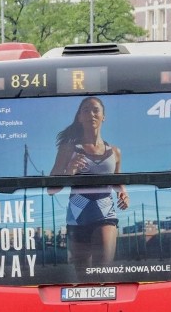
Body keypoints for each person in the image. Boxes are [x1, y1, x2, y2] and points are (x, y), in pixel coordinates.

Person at [48, 96, 128, 271]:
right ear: (79, 117)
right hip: (77, 212)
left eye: (96, 110)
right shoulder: (68, 148)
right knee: (82, 275)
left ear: (103, 117)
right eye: (86, 110)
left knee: (103, 271)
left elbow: (117, 180)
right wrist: (69, 171)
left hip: (105, 209)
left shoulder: (115, 151)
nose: (91, 114)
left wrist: (123, 192)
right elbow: (51, 189)